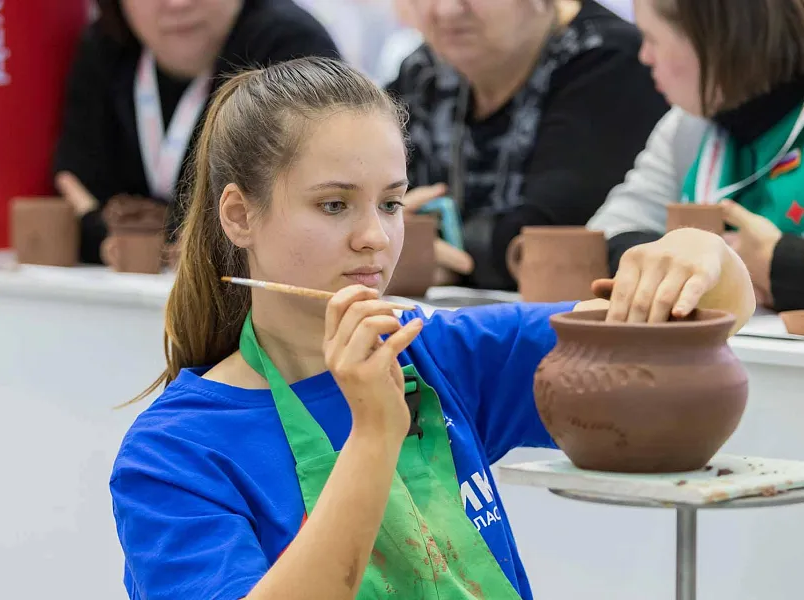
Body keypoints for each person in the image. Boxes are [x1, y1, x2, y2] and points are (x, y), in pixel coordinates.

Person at [109, 57, 753, 600]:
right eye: (334, 205)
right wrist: (373, 435)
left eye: (391, 203)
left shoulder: (440, 352)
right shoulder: (176, 453)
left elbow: (686, 334)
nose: (374, 239)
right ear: (239, 216)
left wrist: (703, 254)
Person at [387, 0, 669, 289]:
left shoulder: (607, 57)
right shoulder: (424, 71)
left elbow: (546, 237)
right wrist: (387, 223)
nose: (445, 10)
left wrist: (408, 241)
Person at [53, 0, 339, 265]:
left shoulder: (291, 47)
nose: (178, 4)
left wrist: (125, 235)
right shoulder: (106, 47)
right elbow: (75, 183)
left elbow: (293, 209)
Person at [588, 0, 804, 312]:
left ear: (718, 42)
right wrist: (682, 259)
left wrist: (783, 265)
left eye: (653, 39)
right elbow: (610, 229)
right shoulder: (687, 125)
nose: (644, 56)